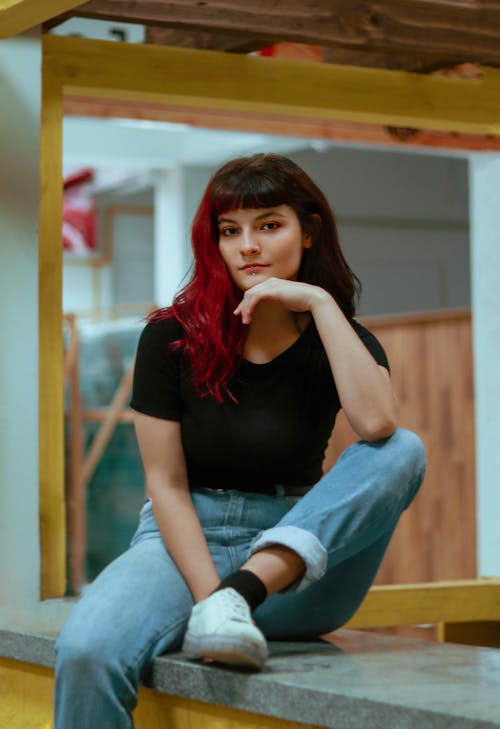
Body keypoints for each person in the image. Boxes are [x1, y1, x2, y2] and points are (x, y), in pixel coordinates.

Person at [54, 153, 426, 728]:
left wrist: (321, 304)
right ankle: (228, 600)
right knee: (84, 652)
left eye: (269, 225)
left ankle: (244, 591)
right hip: (183, 546)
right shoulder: (168, 338)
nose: (247, 246)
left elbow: (378, 427)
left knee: (404, 449)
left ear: (309, 231)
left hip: (293, 561)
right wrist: (214, 601)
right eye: (230, 231)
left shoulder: (337, 337)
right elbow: (166, 485)